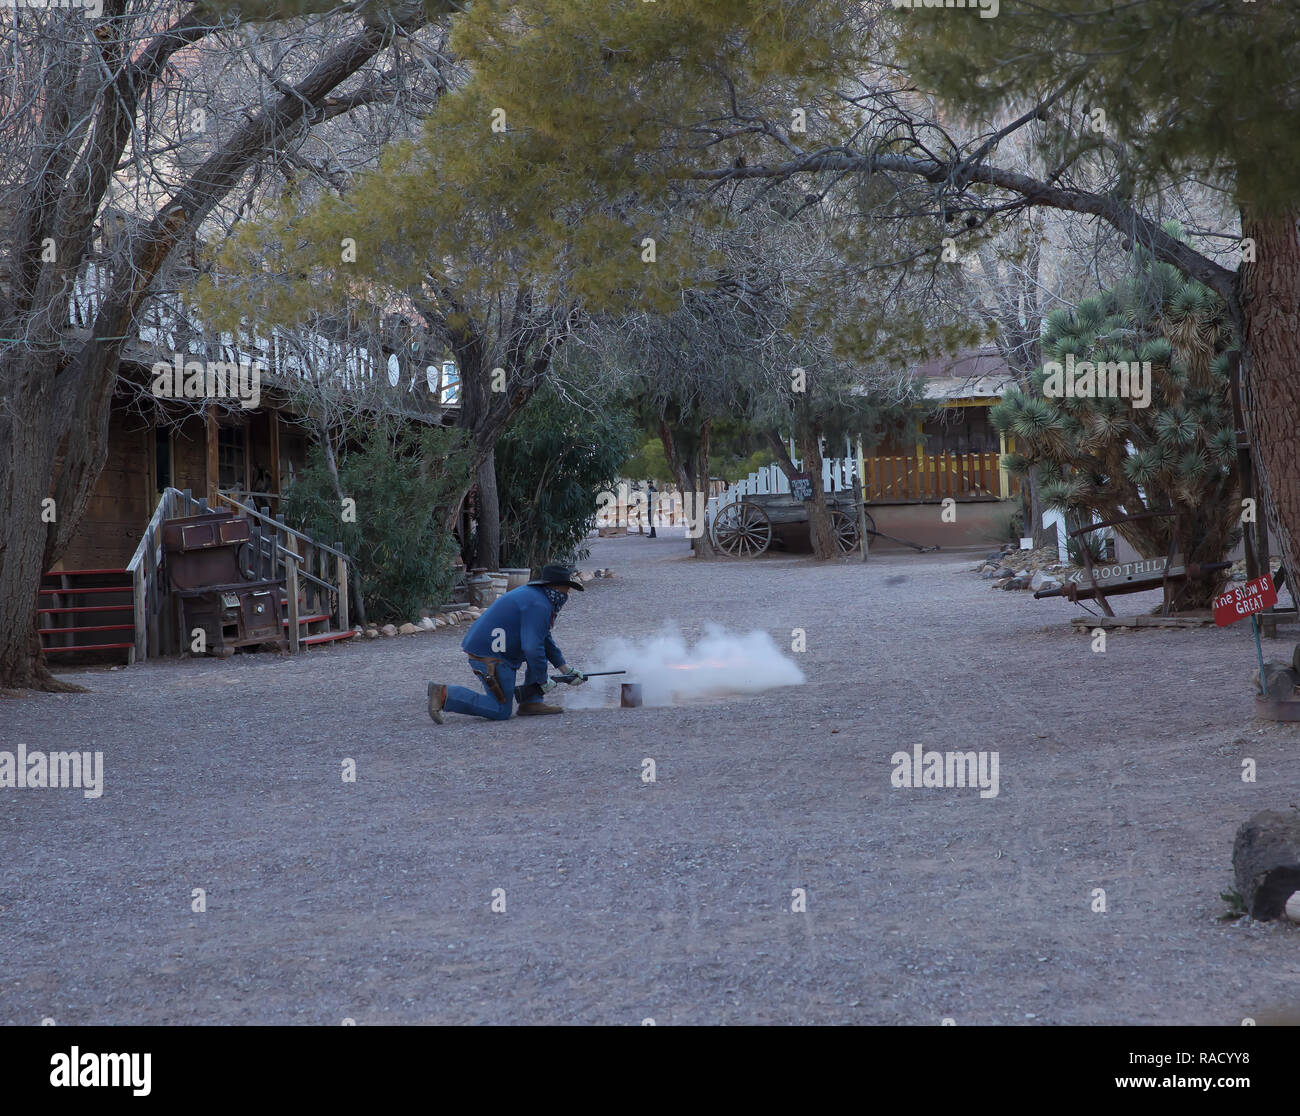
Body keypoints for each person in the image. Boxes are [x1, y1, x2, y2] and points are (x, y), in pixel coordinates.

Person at [427, 564, 588, 722]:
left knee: (538, 653)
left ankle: (531, 702)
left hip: (493, 650)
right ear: (555, 586)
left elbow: (543, 638)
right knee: (500, 710)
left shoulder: (537, 596)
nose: (567, 593)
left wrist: (565, 669)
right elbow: (532, 648)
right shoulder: (539, 604)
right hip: (491, 656)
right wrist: (542, 679)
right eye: (566, 588)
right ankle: (444, 694)